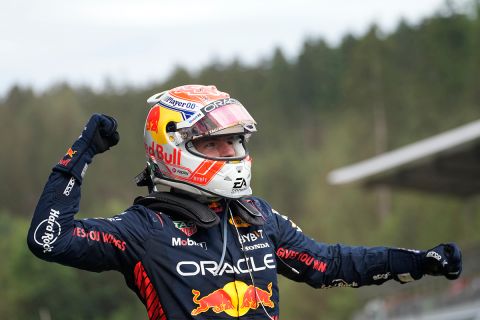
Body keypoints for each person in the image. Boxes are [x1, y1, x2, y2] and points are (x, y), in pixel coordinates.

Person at [28, 84, 462, 320]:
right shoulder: (143, 230)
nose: (232, 155)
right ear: (173, 149)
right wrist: (80, 154)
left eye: (236, 142)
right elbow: (50, 239)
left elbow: (330, 264)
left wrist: (417, 262)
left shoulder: (259, 217)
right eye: (216, 144)